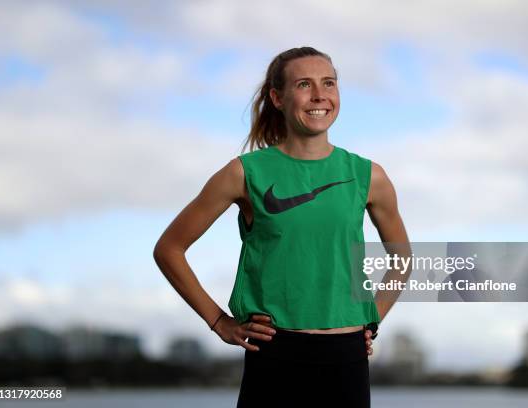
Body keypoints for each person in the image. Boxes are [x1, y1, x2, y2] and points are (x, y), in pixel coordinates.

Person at [153, 46, 410, 408]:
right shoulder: (243, 173)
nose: (320, 95)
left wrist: (371, 320)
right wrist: (219, 322)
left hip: (346, 358)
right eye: (304, 84)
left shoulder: (369, 176)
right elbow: (169, 249)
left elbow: (403, 259)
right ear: (277, 97)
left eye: (329, 83)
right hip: (274, 355)